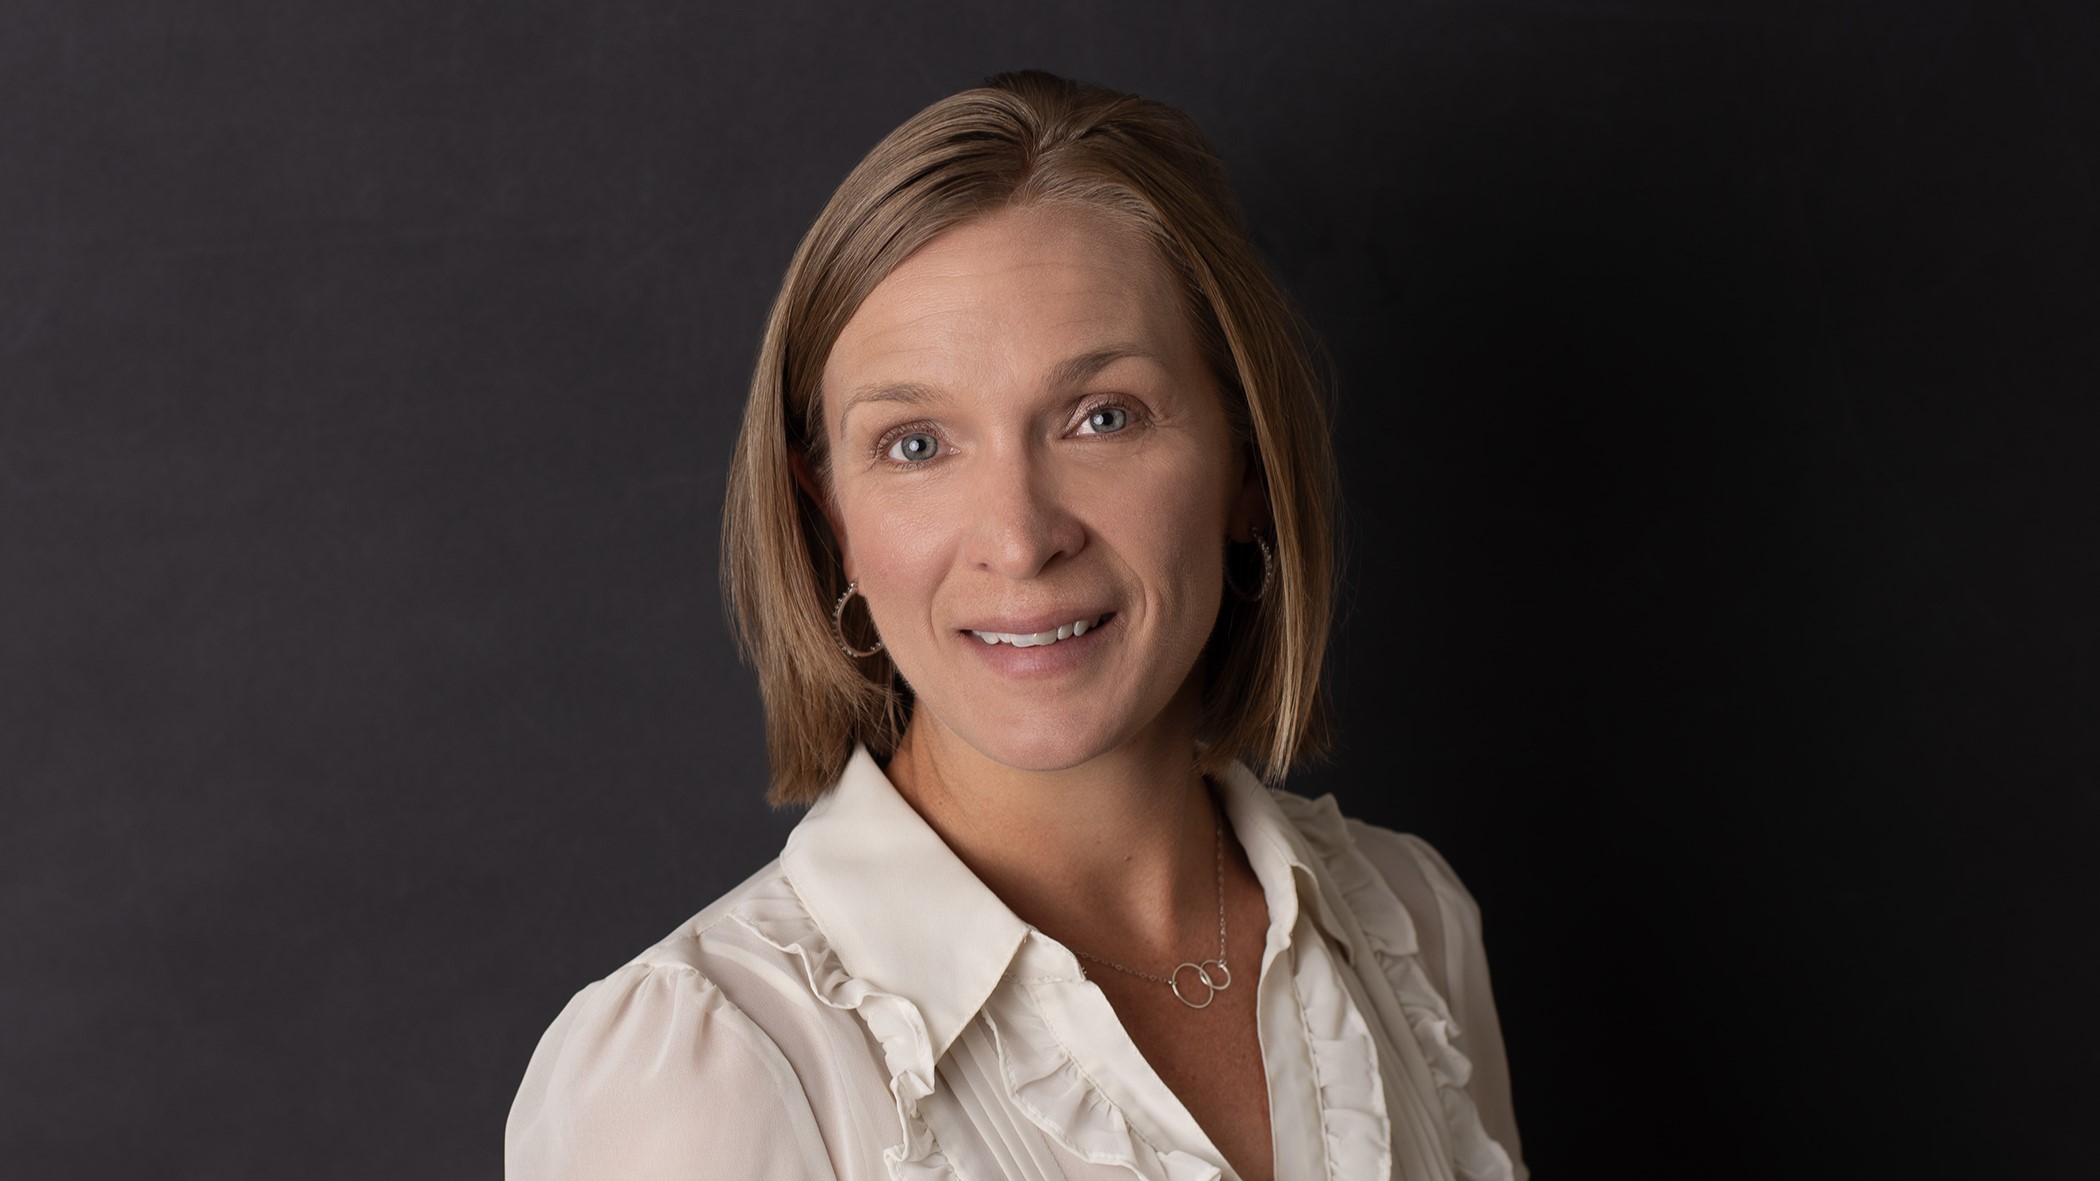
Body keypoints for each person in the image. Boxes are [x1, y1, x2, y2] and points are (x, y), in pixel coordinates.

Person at [506, 70, 1525, 1181]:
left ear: (1246, 464)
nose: (1019, 536)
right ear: (830, 519)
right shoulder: (712, 1070)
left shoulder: (1411, 927)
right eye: (915, 443)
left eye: (1102, 417)